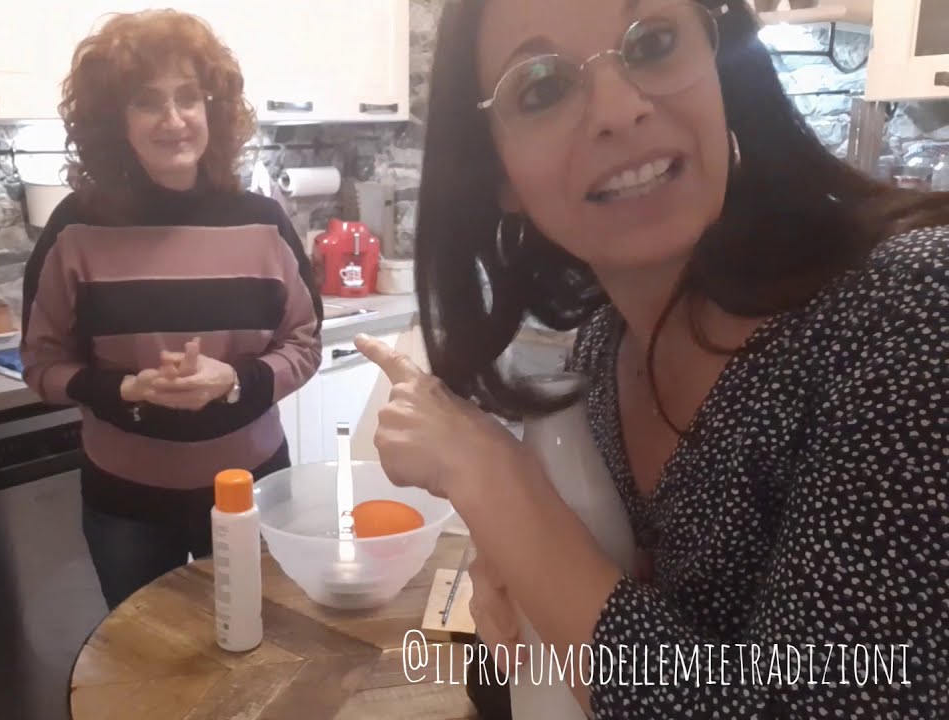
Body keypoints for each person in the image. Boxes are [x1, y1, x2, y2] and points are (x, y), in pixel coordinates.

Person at [352, 0, 949, 717]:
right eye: (543, 87)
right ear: (499, 172)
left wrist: (492, 480)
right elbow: (601, 657)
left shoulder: (907, 312)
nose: (618, 109)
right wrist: (525, 581)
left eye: (654, 42)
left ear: (720, 62)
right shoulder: (605, 354)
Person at [21, 9, 323, 611]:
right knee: (144, 655)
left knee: (257, 645)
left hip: (253, 493)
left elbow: (305, 343)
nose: (174, 119)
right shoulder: (75, 229)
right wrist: (125, 389)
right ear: (115, 121)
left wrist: (234, 382)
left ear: (214, 109)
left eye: (189, 97)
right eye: (147, 102)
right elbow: (41, 365)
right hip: (127, 506)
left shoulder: (264, 222)